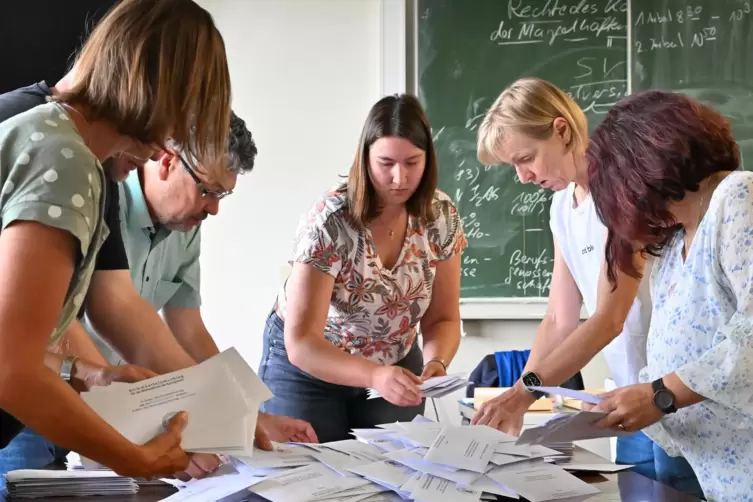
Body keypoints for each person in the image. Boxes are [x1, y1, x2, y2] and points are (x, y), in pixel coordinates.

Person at [0, 78, 318, 482]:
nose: (213, 210)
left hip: (95, 387)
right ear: (167, 159)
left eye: (223, 196)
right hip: (42, 397)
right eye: (208, 191)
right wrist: (135, 416)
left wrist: (238, 411)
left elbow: (187, 328)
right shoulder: (88, 181)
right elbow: (70, 323)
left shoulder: (186, 228)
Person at [0, 0, 231, 478]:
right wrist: (132, 457)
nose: (170, 141)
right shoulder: (66, 159)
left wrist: (83, 373)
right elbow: (11, 371)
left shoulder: (41, 132)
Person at [471, 78, 702, 498]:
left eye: (527, 159)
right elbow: (560, 317)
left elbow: (609, 318)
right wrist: (516, 396)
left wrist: (522, 395)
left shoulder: (625, 188)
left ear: (561, 130)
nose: (523, 177)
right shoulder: (562, 206)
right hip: (627, 397)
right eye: (514, 167)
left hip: (675, 392)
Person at [259, 94, 467, 442]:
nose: (399, 177)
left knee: (392, 473)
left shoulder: (440, 216)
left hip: (395, 361)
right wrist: (373, 376)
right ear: (365, 157)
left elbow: (443, 318)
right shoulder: (331, 219)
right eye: (386, 162)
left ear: (428, 160)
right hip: (311, 365)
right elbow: (302, 343)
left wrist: (437, 363)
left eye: (412, 163)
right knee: (311, 476)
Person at [588, 90, 752, 502]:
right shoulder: (675, 239)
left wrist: (660, 395)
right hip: (709, 468)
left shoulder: (738, 197)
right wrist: (625, 401)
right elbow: (675, 350)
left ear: (645, 171)